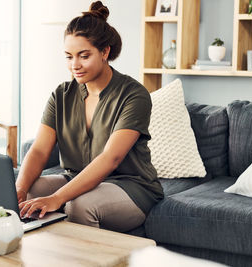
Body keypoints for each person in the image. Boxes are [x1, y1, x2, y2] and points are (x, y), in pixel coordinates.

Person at [16, 1, 164, 232]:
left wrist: (57, 198)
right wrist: (19, 188)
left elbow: (110, 158)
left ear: (105, 52)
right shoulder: (61, 95)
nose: (75, 65)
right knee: (33, 190)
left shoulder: (134, 95)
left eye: (84, 56)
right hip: (74, 177)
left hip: (131, 186)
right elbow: (39, 150)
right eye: (68, 56)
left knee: (80, 205)